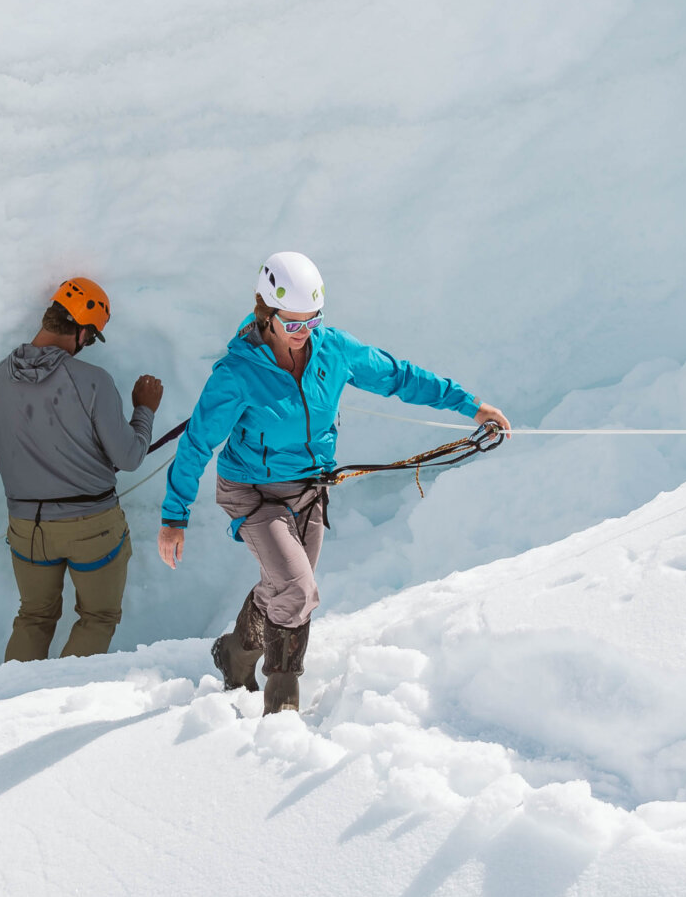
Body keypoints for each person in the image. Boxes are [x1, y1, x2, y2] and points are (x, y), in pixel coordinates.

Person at [157, 253, 508, 714]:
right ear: (267, 312)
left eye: (313, 321)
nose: (305, 333)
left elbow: (398, 376)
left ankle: (232, 655)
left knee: (282, 587)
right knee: (299, 590)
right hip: (251, 491)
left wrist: (470, 405)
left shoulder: (332, 349)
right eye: (293, 324)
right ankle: (281, 703)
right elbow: (197, 445)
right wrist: (173, 517)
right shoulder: (236, 375)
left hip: (309, 490)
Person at [0, 276, 165, 661]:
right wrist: (144, 409)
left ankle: (7, 706)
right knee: (98, 617)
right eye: (92, 337)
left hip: (26, 528)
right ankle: (59, 705)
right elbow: (130, 458)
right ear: (82, 331)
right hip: (92, 525)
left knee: (33, 617)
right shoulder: (92, 381)